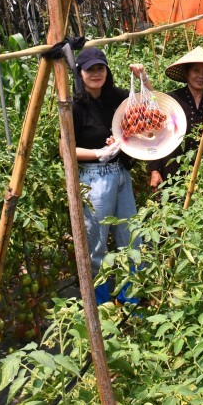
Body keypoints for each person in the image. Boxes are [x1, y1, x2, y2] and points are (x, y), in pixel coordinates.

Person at [72, 47, 148, 304]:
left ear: (107, 70)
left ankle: (131, 301)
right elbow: (66, 149)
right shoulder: (74, 106)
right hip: (94, 178)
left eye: (100, 68)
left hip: (121, 174)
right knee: (97, 245)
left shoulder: (116, 96)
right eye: (90, 70)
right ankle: (102, 306)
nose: (96, 74)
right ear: (80, 73)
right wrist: (98, 153)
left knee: (131, 239)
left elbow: (148, 104)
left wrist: (143, 78)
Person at [148, 46, 203, 189]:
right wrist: (154, 170)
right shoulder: (172, 100)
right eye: (196, 70)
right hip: (172, 168)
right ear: (187, 73)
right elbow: (156, 136)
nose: (201, 76)